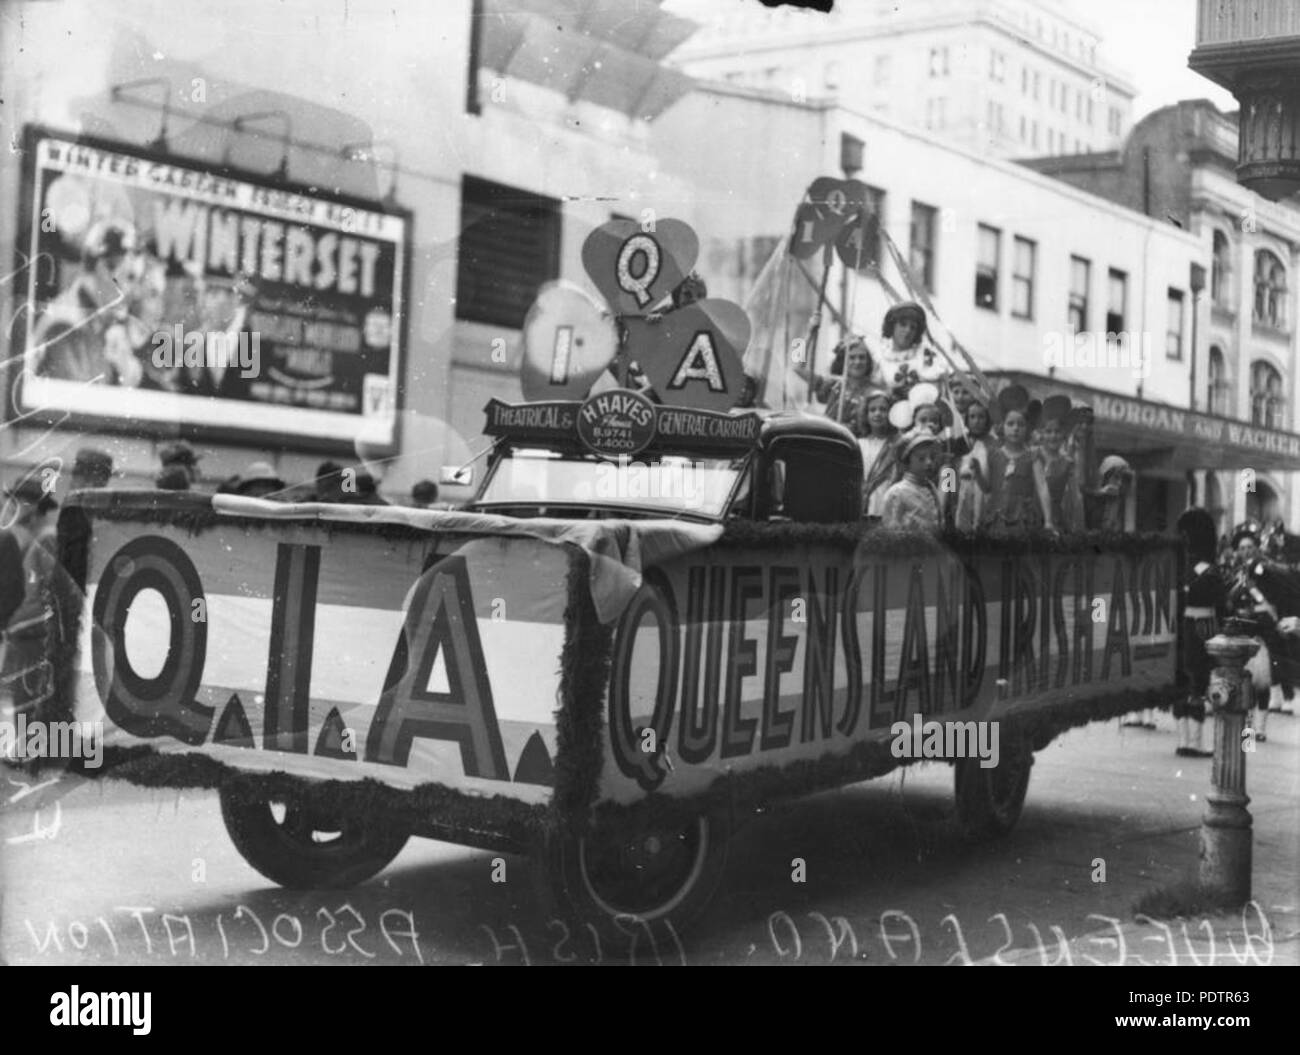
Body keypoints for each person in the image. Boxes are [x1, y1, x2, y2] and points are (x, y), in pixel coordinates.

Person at [0, 478, 59, 717]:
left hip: (33, 634)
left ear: (33, 506)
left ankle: (30, 752)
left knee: (27, 703)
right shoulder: (30, 538)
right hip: (24, 632)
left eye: (17, 503)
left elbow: (53, 593)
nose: (11, 508)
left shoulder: (47, 539)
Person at [1173, 508, 1228, 758]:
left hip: (1182, 624)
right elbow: (1221, 604)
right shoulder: (1211, 570)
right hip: (1205, 625)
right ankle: (1195, 742)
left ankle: (1184, 740)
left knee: (1183, 680)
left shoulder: (1180, 567)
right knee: (1199, 681)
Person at [977, 387, 1051, 534]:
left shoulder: (1032, 456)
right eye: (1011, 424)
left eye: (1021, 425)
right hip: (994, 519)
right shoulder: (991, 453)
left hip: (1022, 521)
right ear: (1002, 426)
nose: (1015, 429)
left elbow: (1042, 487)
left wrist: (1049, 520)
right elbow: (985, 488)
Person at [796, 335, 876, 431]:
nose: (857, 362)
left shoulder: (874, 392)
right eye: (852, 357)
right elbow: (798, 367)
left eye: (862, 357)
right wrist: (809, 332)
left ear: (868, 361)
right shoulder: (833, 385)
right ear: (843, 361)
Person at [869, 302, 947, 399]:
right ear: (892, 326)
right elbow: (875, 391)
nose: (907, 330)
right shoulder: (880, 357)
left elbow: (936, 389)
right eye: (903, 325)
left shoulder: (925, 354)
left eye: (913, 327)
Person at [1035, 395, 1084, 533]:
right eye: (1048, 432)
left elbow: (1076, 498)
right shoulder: (1033, 455)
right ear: (1042, 433)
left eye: (1057, 431)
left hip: (1055, 519)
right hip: (1029, 516)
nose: (1053, 436)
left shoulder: (1068, 463)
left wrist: (1079, 528)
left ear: (1064, 433)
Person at [880, 433, 942, 532]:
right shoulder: (897, 492)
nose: (929, 462)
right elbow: (891, 532)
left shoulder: (931, 486)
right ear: (907, 462)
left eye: (932, 457)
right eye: (921, 458)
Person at [855, 390, 897, 522]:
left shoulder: (897, 445)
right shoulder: (859, 444)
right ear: (865, 415)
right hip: (863, 503)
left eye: (883, 409)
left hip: (885, 504)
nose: (877, 413)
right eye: (872, 410)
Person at [953, 398, 993, 532]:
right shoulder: (959, 442)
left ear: (987, 420)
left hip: (984, 493)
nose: (976, 421)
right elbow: (950, 472)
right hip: (959, 490)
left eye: (981, 417)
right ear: (967, 419)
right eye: (972, 417)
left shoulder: (992, 444)